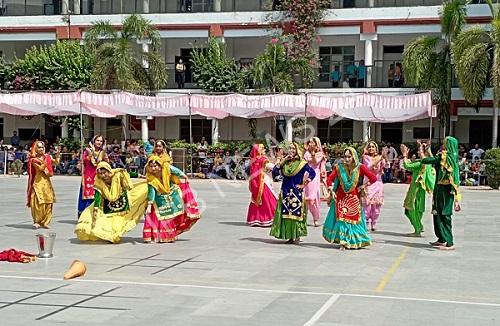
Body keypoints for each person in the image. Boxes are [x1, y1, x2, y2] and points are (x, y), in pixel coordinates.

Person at [75, 162, 148, 243]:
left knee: (120, 219)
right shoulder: (99, 181)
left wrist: (143, 177)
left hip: (122, 198)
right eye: (100, 174)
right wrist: (95, 211)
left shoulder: (117, 174)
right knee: (93, 214)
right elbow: (98, 196)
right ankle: (109, 235)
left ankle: (114, 234)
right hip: (107, 201)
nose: (103, 175)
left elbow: (128, 174)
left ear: (108, 170)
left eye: (104, 172)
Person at [323, 147, 377, 250]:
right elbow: (329, 179)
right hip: (341, 198)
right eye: (345, 157)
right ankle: (344, 242)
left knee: (353, 220)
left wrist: (364, 186)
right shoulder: (339, 168)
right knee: (342, 220)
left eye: (349, 157)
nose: (346, 159)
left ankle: (354, 240)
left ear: (354, 157)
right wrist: (331, 190)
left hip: (354, 199)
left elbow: (373, 178)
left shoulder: (360, 167)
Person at [144, 155, 200, 243]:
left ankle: (169, 235)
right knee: (159, 216)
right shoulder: (151, 178)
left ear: (160, 166)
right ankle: (155, 236)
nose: (153, 168)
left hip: (171, 193)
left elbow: (176, 171)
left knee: (172, 214)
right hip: (158, 198)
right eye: (151, 166)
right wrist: (149, 206)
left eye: (155, 166)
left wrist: (183, 176)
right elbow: (152, 192)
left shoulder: (167, 168)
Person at [419, 136, 461, 250]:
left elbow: (427, 161)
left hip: (444, 191)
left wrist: (421, 151)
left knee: (444, 215)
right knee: (437, 213)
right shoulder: (450, 157)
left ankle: (449, 242)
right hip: (440, 190)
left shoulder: (445, 156)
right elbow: (437, 162)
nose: (442, 144)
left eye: (444, 143)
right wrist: (429, 151)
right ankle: (442, 239)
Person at [270, 143, 316, 244]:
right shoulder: (285, 163)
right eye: (290, 148)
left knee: (296, 214)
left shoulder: (302, 163)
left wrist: (304, 185)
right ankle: (289, 236)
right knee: (286, 215)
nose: (291, 150)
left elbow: (312, 173)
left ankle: (297, 235)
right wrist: (284, 160)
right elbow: (274, 172)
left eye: (293, 148)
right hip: (285, 192)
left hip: (297, 193)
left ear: (297, 150)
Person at [400, 142, 436, 237]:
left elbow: (407, 166)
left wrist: (404, 155)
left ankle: (418, 228)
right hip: (420, 189)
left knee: (411, 208)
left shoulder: (421, 163)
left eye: (420, 151)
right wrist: (422, 146)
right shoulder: (427, 163)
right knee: (417, 208)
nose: (418, 152)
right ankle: (418, 226)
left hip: (416, 189)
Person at [26, 140, 60, 229]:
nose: (41, 149)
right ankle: (37, 221)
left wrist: (57, 155)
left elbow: (56, 162)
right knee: (38, 202)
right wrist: (45, 160)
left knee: (49, 201)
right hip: (38, 183)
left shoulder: (47, 157)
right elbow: (41, 168)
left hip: (46, 182)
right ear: (35, 149)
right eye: (39, 147)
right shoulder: (33, 160)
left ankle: (45, 221)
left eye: (42, 147)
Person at [246, 144, 277, 227]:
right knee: (268, 200)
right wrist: (279, 163)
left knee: (257, 201)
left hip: (255, 183)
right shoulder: (262, 160)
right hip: (263, 182)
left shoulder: (253, 160)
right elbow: (272, 167)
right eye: (262, 149)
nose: (264, 150)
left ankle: (255, 219)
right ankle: (268, 218)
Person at [78, 135, 108, 217]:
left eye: (101, 141)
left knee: (97, 195)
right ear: (94, 141)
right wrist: (90, 154)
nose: (99, 142)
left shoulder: (102, 152)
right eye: (97, 140)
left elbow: (107, 163)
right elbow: (84, 161)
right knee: (87, 196)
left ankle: (95, 215)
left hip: (98, 176)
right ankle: (84, 215)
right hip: (88, 175)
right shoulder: (88, 150)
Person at [362, 141, 387, 231]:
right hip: (368, 183)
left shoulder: (379, 157)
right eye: (369, 147)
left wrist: (385, 158)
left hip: (378, 183)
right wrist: (380, 158)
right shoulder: (365, 157)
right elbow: (368, 167)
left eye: (373, 147)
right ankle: (365, 223)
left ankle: (374, 223)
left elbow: (386, 166)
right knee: (367, 205)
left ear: (376, 148)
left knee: (376, 206)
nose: (371, 148)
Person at [304, 137, 326, 227]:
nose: (310, 144)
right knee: (304, 198)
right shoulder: (306, 153)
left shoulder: (320, 154)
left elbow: (315, 162)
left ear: (317, 144)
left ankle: (315, 218)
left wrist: (313, 154)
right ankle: (303, 218)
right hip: (305, 174)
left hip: (314, 175)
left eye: (313, 143)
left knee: (312, 198)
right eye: (310, 142)